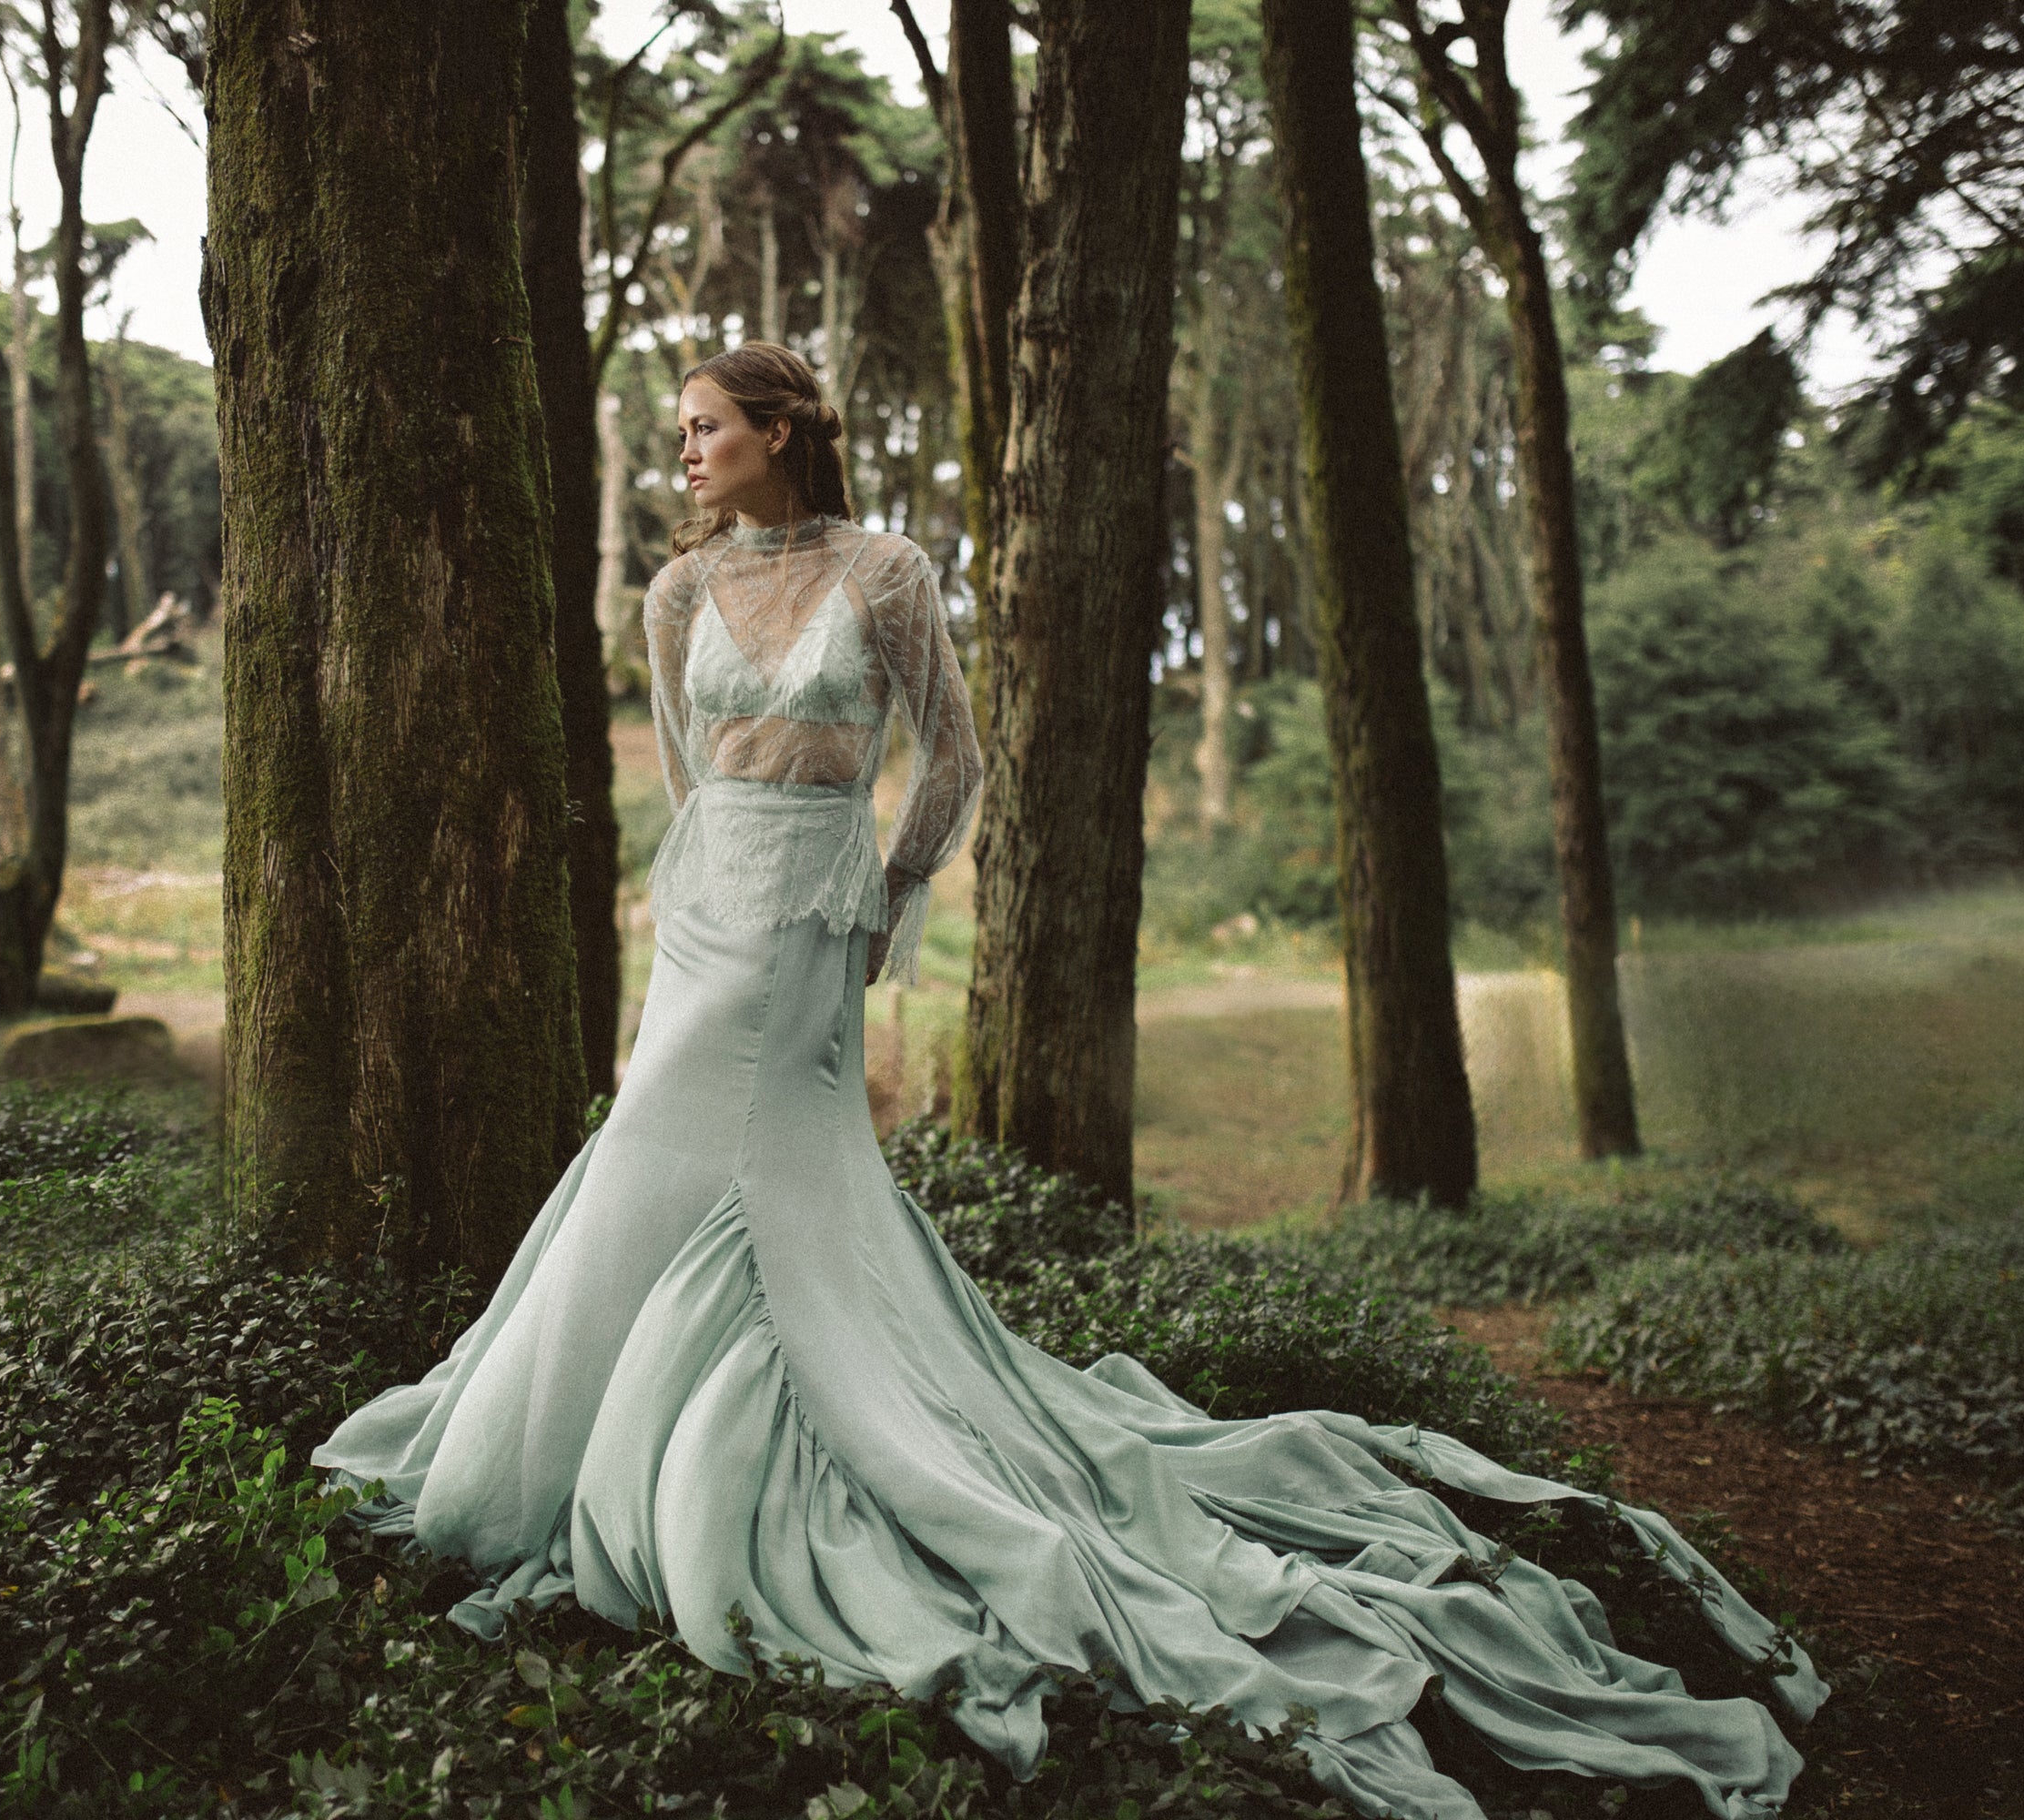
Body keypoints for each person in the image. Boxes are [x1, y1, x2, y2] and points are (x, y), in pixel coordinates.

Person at [309, 342, 1819, 1820]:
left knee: (769, 1176)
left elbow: (952, 760)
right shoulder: (676, 589)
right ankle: (552, 1449)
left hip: (817, 920)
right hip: (711, 917)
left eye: (707, 425)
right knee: (647, 1148)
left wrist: (882, 896)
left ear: (781, 429)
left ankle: (774, 1453)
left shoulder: (888, 570)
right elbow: (687, 772)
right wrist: (727, 870)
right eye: (682, 430)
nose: (685, 450)